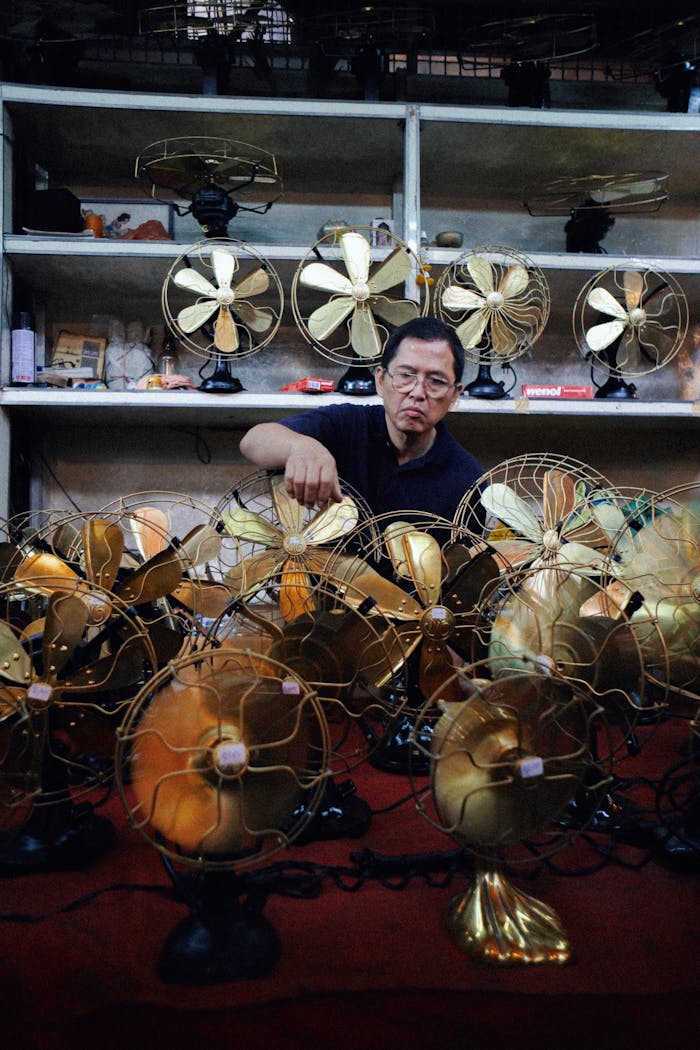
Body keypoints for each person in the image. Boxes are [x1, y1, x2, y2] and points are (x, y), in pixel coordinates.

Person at [239, 316, 483, 519]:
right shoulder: (347, 424)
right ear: (380, 380)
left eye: (436, 382)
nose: (418, 393)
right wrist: (301, 447)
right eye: (406, 375)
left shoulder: (467, 480)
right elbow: (253, 441)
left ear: (454, 395)